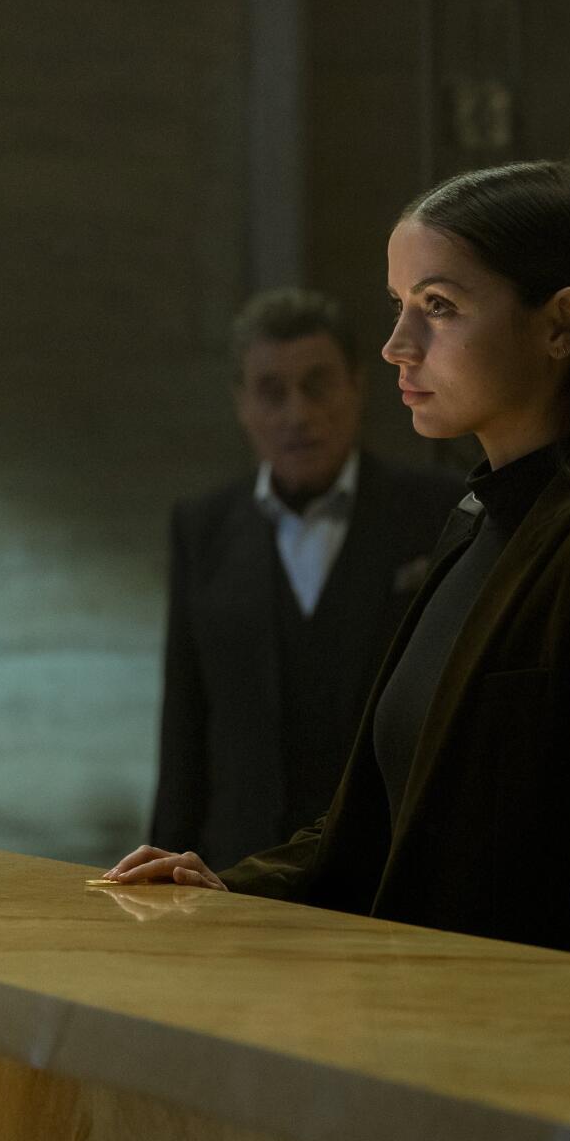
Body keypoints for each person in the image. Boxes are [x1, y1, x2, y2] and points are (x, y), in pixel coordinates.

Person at [108, 161, 570, 974]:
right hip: (410, 1034)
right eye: (399, 305)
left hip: (522, 1059)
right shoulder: (474, 518)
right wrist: (223, 885)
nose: (398, 344)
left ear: (561, 325)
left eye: (438, 307)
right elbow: (372, 831)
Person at [149, 290, 459, 871]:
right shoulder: (204, 529)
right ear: (242, 405)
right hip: (235, 869)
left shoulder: (436, 513)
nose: (297, 414)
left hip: (386, 868)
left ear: (358, 387)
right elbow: (184, 727)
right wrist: (165, 863)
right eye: (272, 393)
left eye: (317, 385)